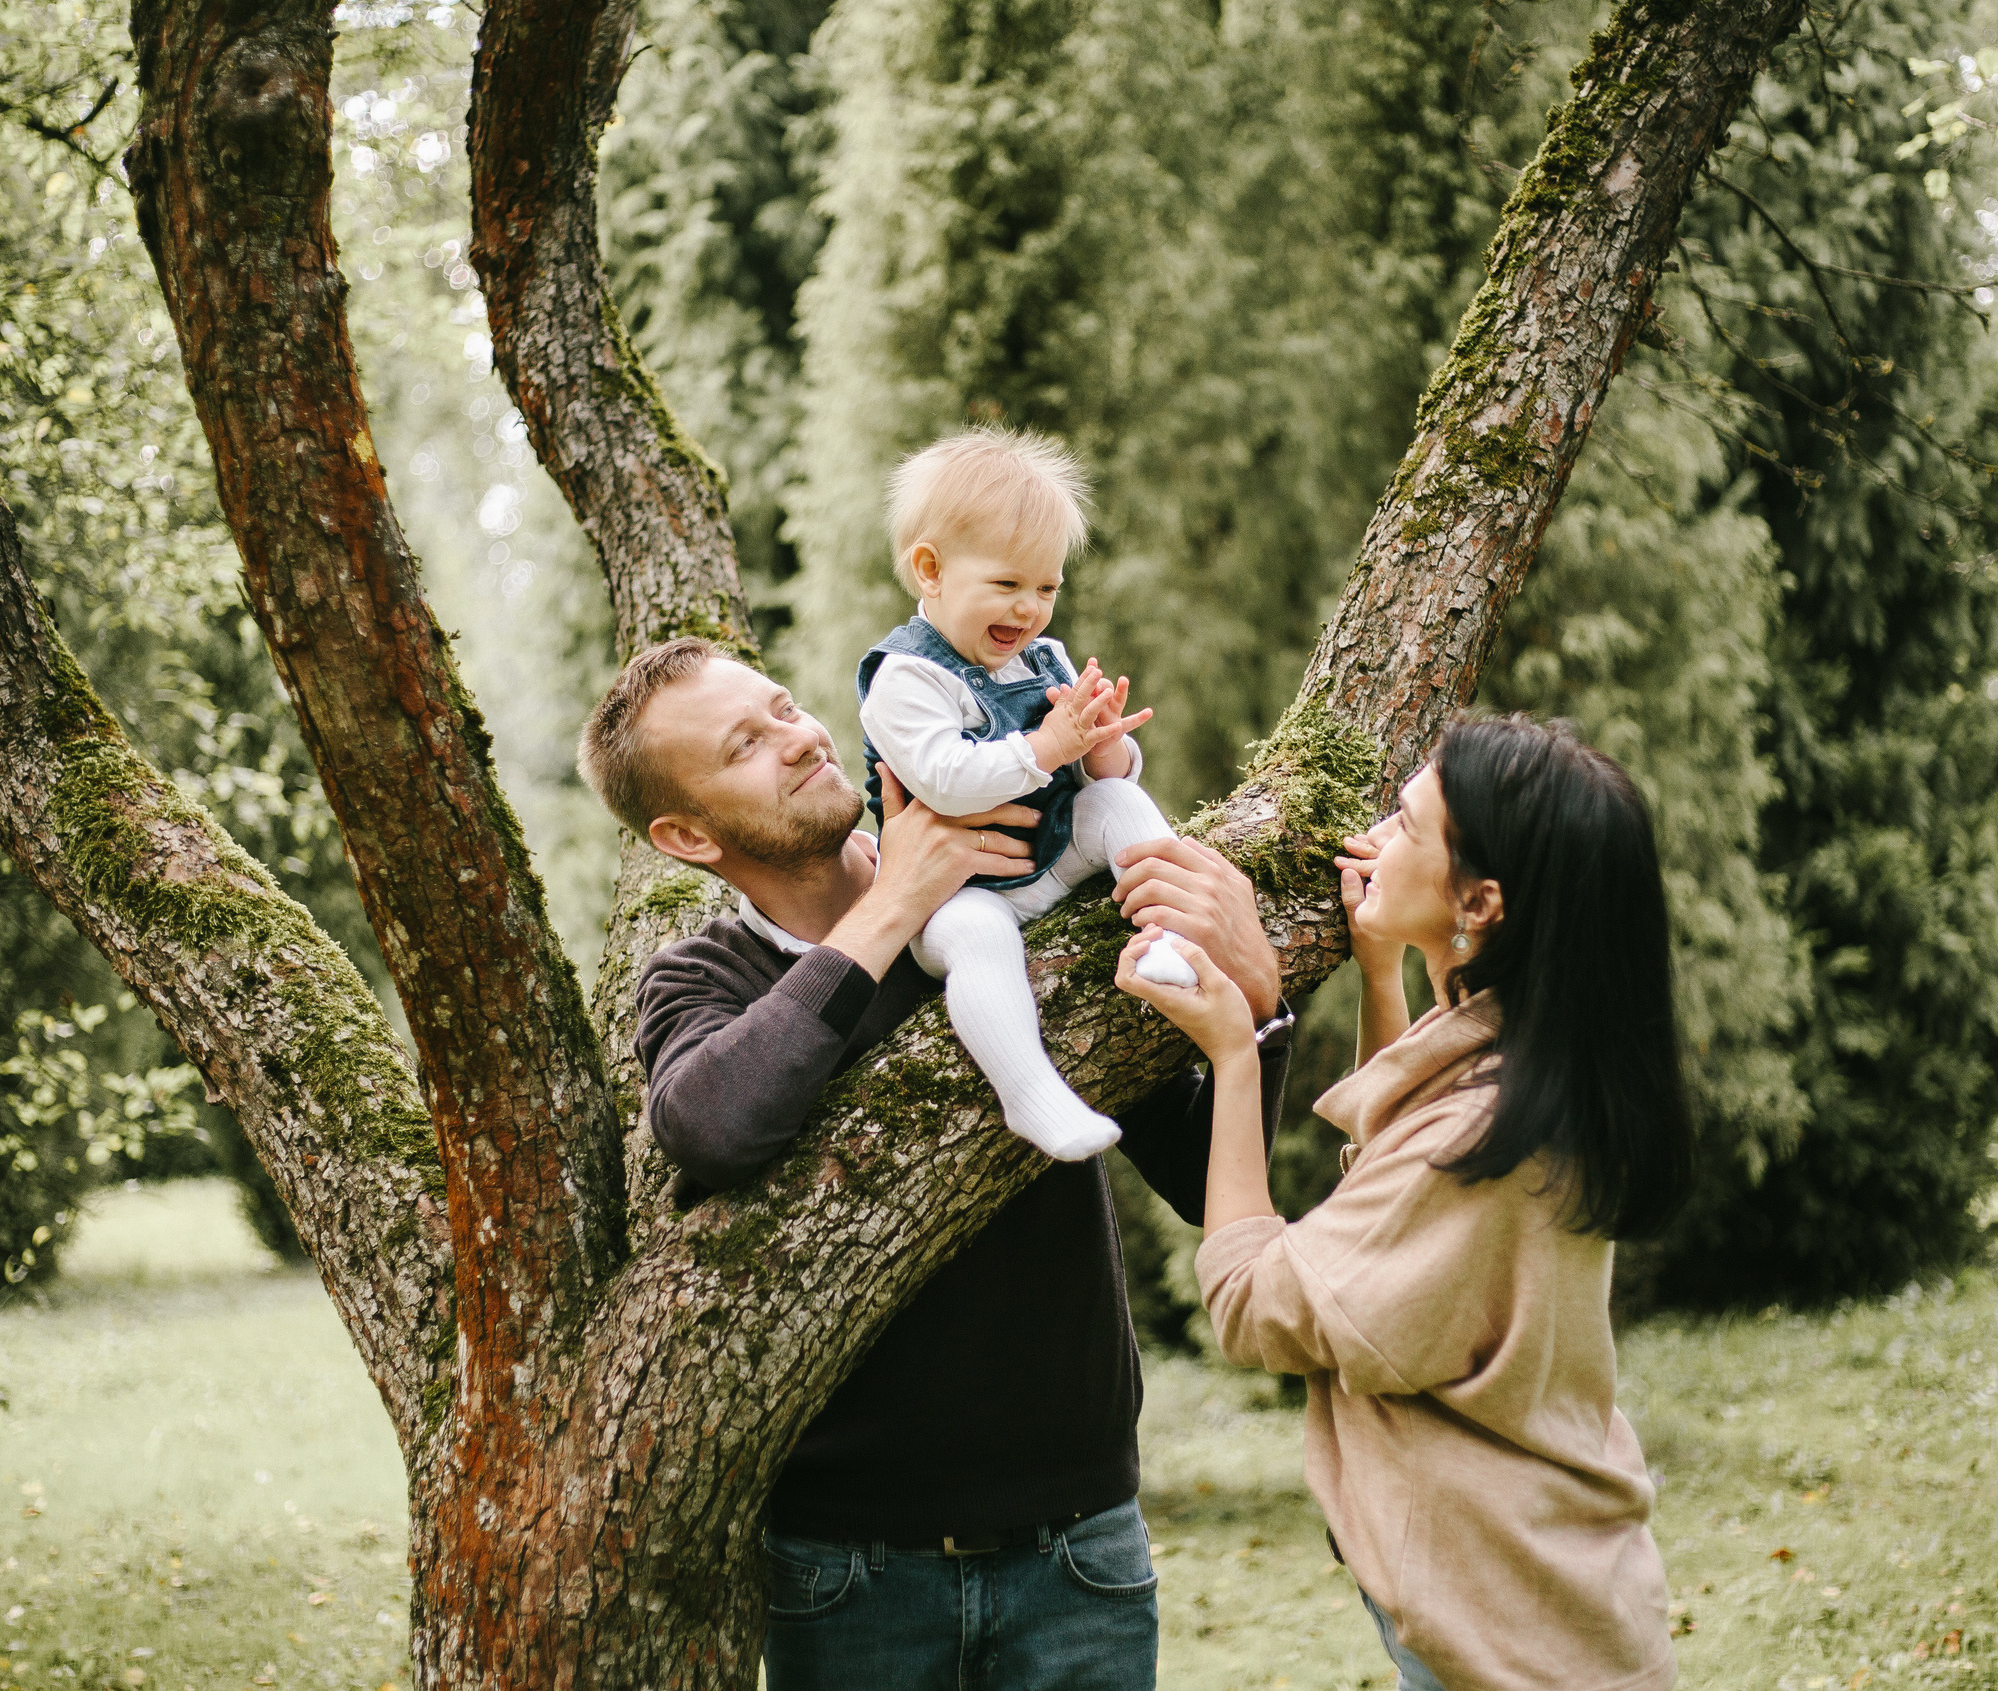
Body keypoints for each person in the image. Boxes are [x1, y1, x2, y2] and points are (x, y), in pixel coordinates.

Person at [584, 635, 1296, 1690]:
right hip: (846, 1572)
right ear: (688, 835)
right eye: (745, 745)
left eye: (783, 707)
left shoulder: (1026, 900)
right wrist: (891, 908)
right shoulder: (706, 979)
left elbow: (1200, 1176)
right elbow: (714, 1128)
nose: (799, 738)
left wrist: (1261, 1007)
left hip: (1080, 1542)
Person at [1116, 713, 1694, 1691]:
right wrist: (1382, 972)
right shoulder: (1534, 1068)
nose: (1376, 836)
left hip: (1506, 1631)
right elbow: (1392, 1188)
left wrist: (1235, 1051)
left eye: (1409, 825)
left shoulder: (1483, 1133)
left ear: (1481, 902)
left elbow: (1253, 1302)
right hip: (1540, 1594)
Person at [855, 427, 1196, 1165]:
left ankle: (1170, 936)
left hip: (1048, 854)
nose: (1029, 610)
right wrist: (1047, 746)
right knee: (981, 940)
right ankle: (1030, 1092)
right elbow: (947, 779)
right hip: (955, 894)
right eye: (1008, 586)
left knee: (1119, 808)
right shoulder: (906, 679)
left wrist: (1101, 745)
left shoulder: (1042, 658)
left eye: (1047, 588)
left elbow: (1102, 780)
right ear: (931, 570)